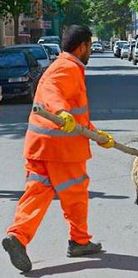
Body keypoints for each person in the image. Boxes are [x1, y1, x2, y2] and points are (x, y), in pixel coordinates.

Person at [2, 25, 115, 273]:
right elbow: (54, 95)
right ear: (83, 46)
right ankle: (79, 240)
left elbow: (75, 116)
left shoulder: (62, 65)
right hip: (61, 149)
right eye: (89, 46)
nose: (90, 52)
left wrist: (97, 135)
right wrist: (62, 112)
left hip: (39, 145)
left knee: (37, 193)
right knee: (76, 195)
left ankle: (17, 237)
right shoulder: (67, 67)